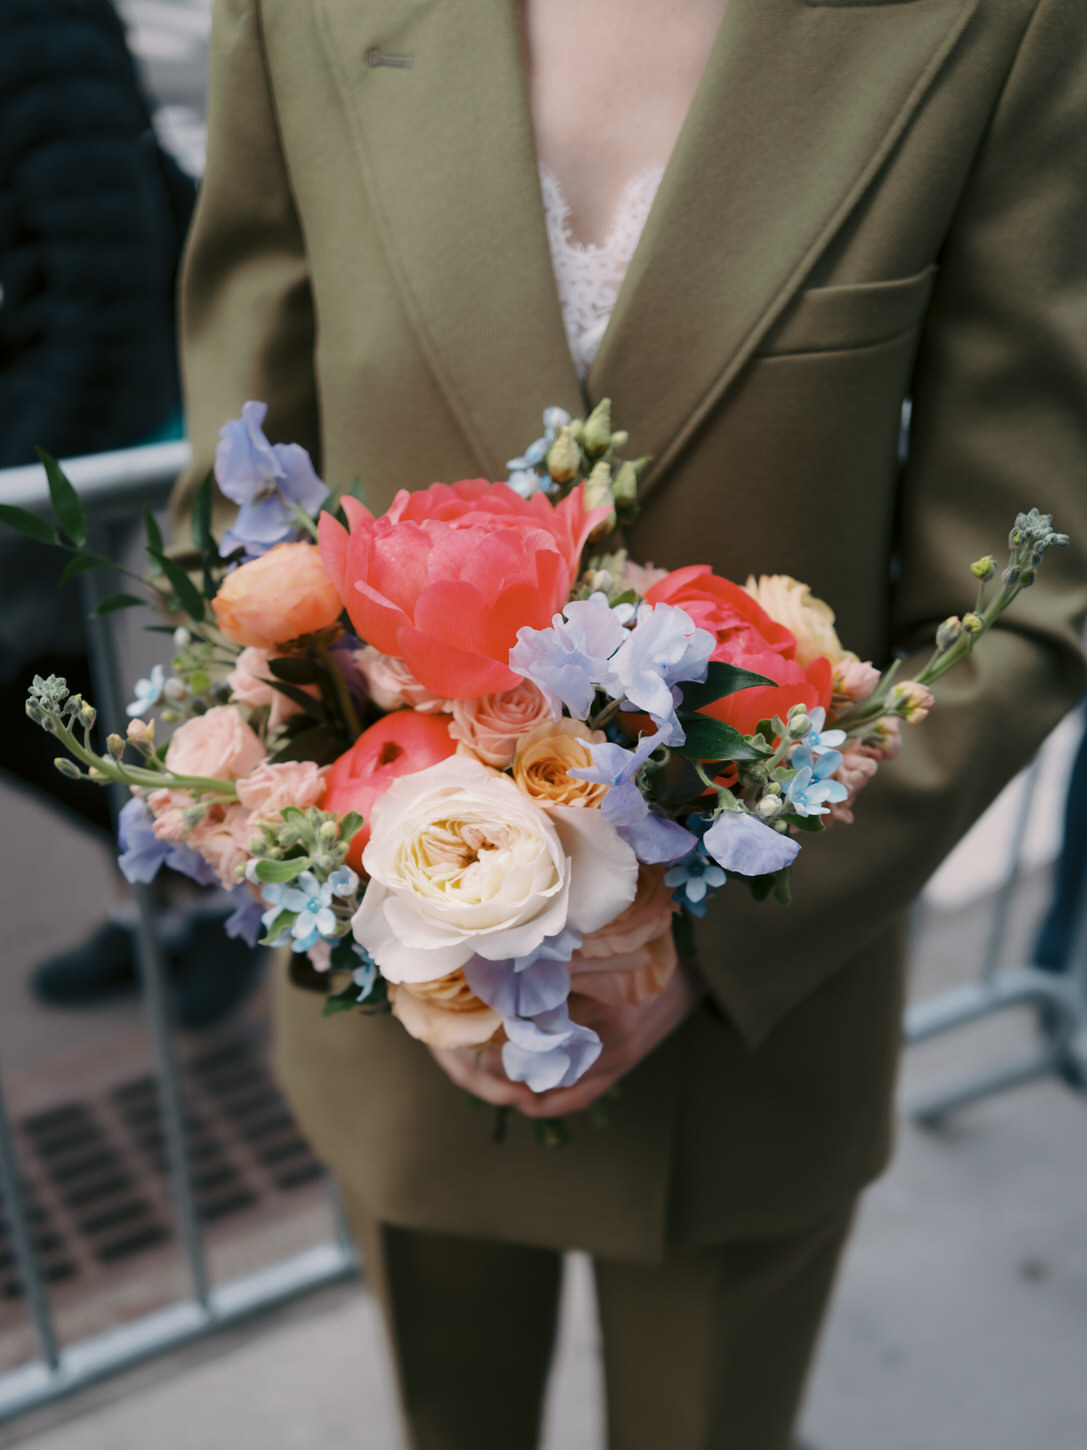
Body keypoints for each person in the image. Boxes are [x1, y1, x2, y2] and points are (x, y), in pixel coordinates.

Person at [174, 2, 1087, 1446]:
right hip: (408, 989)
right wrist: (356, 884)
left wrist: (713, 936)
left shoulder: (1000, 25)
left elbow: (1030, 586)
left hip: (762, 1010)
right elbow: (235, 503)